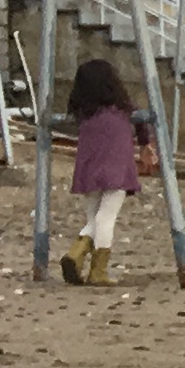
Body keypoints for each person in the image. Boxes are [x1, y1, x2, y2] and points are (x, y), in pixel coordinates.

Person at [59, 55, 145, 283]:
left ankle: (76, 254)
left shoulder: (83, 115)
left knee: (93, 218)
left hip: (89, 170)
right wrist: (147, 145)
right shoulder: (122, 110)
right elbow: (142, 121)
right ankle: (97, 271)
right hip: (117, 169)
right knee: (106, 218)